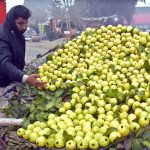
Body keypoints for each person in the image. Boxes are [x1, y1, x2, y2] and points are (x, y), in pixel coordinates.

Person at [0, 5, 45, 88]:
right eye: (20, 23)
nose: (24, 27)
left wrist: (24, 68)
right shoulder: (2, 36)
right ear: (11, 21)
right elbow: (4, 63)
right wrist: (25, 78)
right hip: (2, 83)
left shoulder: (19, 34)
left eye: (26, 23)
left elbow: (18, 56)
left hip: (14, 79)